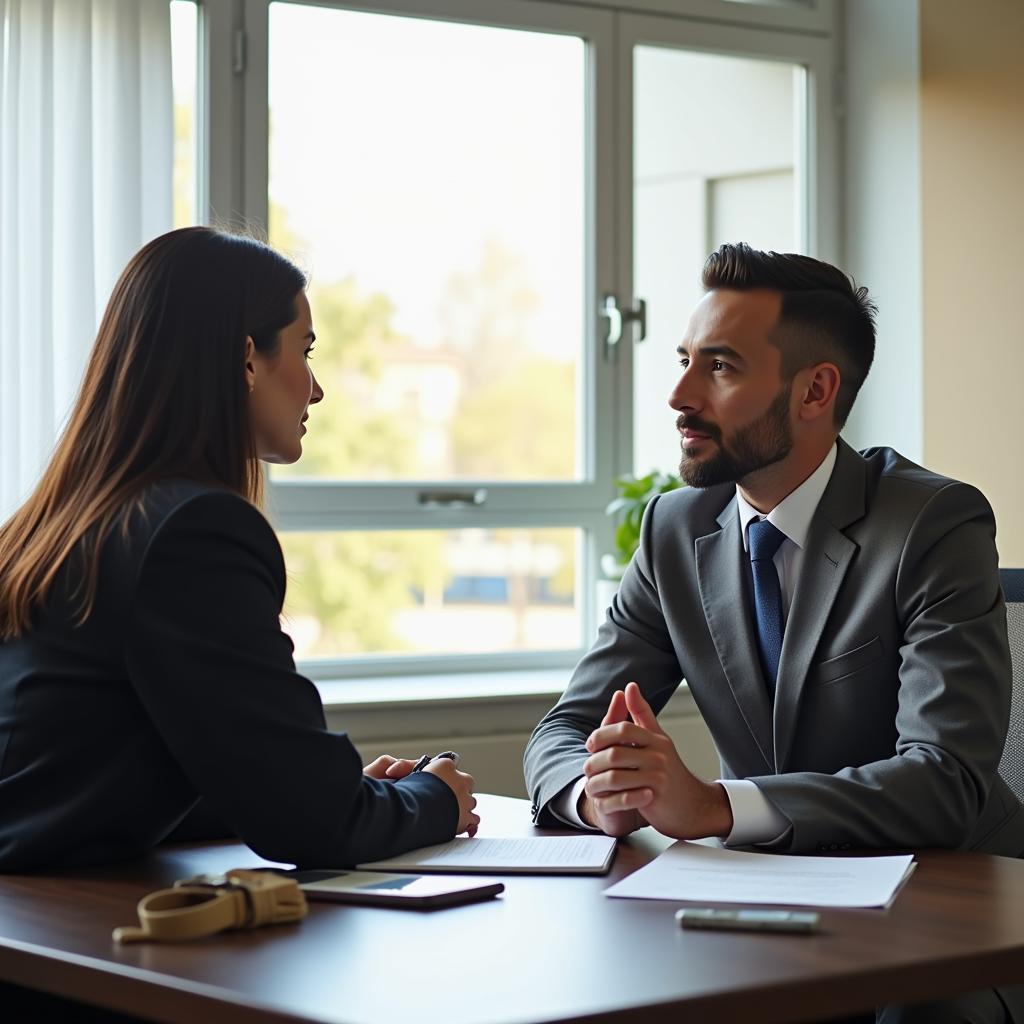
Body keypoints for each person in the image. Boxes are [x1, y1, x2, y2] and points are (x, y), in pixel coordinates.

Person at [524, 243, 1023, 1023]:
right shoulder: (673, 528)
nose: (680, 395)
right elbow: (563, 730)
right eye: (685, 360)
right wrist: (602, 795)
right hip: (761, 907)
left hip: (949, 908)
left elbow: (946, 778)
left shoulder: (932, 522)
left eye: (718, 367)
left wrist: (716, 808)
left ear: (815, 390)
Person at [0, 226, 478, 872]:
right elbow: (315, 829)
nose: (315, 389)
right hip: (56, 946)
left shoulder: (57, 526)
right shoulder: (192, 534)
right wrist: (435, 799)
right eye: (305, 350)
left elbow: (85, 776)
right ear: (247, 358)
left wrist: (334, 787)